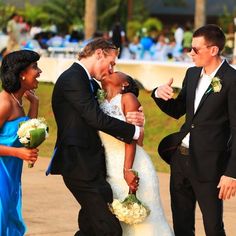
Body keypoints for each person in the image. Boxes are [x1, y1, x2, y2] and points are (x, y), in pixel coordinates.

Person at [46, 38, 144, 236]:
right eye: (112, 62)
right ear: (99, 53)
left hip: (93, 164)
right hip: (79, 164)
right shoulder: (73, 78)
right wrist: (132, 131)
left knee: (90, 227)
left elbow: (107, 112)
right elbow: (95, 118)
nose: (111, 68)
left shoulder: (90, 83)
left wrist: (133, 114)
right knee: (109, 229)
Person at [151, 24, 236, 236]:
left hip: (210, 165)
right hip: (180, 159)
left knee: (213, 227)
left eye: (196, 49)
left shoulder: (233, 80)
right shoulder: (191, 74)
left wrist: (231, 174)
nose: (190, 53)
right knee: (181, 225)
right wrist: (157, 94)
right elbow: (178, 110)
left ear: (214, 50)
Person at [99, 71, 174, 236]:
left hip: (132, 164)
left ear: (125, 84)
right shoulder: (99, 101)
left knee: (144, 223)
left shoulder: (128, 98)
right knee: (122, 220)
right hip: (110, 166)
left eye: (116, 72)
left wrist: (128, 169)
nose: (111, 71)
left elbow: (133, 138)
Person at [0, 50, 42, 235]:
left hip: (11, 176)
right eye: (35, 67)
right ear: (21, 74)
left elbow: (27, 134)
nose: (39, 71)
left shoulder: (18, 101)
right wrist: (18, 153)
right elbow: (20, 149)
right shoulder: (5, 104)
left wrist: (34, 104)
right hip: (1, 175)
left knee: (9, 220)